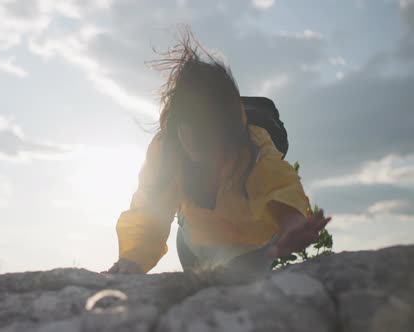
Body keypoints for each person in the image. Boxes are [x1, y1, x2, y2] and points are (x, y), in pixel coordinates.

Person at [105, 32, 331, 275]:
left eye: (214, 136)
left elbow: (278, 186)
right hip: (193, 242)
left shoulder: (253, 143)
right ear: (181, 129)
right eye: (189, 131)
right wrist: (132, 261)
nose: (190, 140)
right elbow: (149, 209)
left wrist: (292, 226)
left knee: (237, 282)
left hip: (249, 246)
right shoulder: (165, 150)